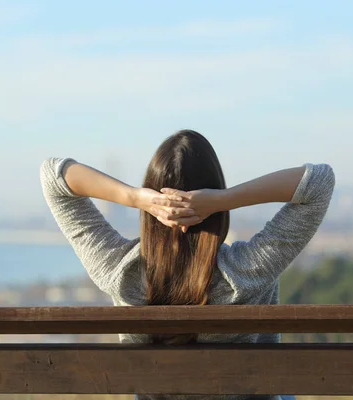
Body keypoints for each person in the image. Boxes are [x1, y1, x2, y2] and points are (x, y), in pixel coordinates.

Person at [40, 129, 335, 400]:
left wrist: (135, 197)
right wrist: (224, 199)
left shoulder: (121, 272)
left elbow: (53, 176)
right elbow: (319, 182)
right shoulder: (246, 271)